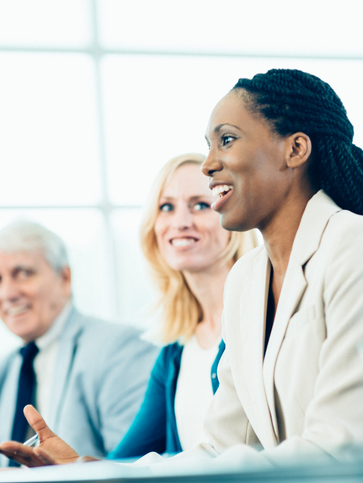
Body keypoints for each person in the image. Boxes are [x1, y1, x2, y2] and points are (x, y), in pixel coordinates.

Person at [0, 69, 363, 466]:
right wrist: (85, 471)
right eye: (208, 145)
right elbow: (219, 446)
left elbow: (341, 444)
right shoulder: (247, 280)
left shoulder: (358, 245)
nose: (208, 164)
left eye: (226, 140)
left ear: (295, 149)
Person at [0, 221, 159, 468]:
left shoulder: (119, 348)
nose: (7, 293)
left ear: (64, 278)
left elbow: (135, 465)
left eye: (23, 273)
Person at [109, 153, 258, 458]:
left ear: (233, 218)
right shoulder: (174, 352)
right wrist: (61, 466)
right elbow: (124, 462)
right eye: (166, 207)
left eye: (200, 205)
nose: (180, 222)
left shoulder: (262, 320)